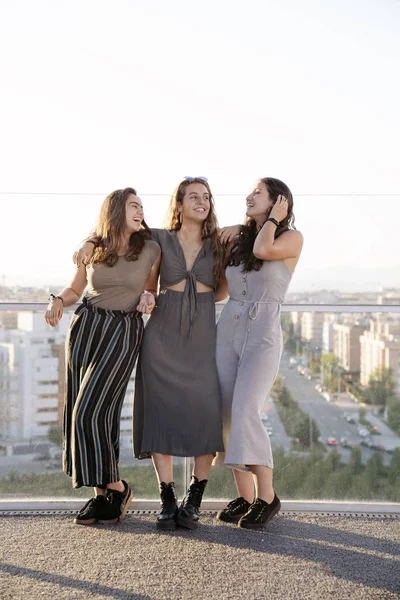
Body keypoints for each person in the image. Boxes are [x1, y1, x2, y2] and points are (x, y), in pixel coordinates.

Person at [74, 177, 227, 531]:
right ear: (180, 203)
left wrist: (194, 299)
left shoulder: (219, 241)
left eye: (206, 197)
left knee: (205, 410)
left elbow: (221, 292)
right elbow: (112, 234)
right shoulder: (158, 238)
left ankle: (195, 496)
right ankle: (167, 496)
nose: (201, 201)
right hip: (161, 335)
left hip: (202, 333)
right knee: (160, 410)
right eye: (193, 196)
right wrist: (87, 241)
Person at [45, 187, 160, 526]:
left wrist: (150, 298)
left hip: (123, 331)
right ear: (114, 212)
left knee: (89, 412)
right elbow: (76, 289)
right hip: (85, 329)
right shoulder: (94, 248)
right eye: (132, 206)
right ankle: (102, 497)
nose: (139, 211)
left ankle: (118, 488)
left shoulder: (151, 248)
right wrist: (56, 300)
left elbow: (153, 287)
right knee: (96, 416)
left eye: (141, 206)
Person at [214, 177, 303, 529]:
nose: (248, 196)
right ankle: (246, 496)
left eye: (257, 193)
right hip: (228, 328)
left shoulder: (291, 238)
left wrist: (266, 222)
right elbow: (221, 290)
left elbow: (265, 250)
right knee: (225, 411)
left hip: (263, 332)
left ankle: (267, 496)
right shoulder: (241, 240)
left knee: (246, 408)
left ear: (278, 202)